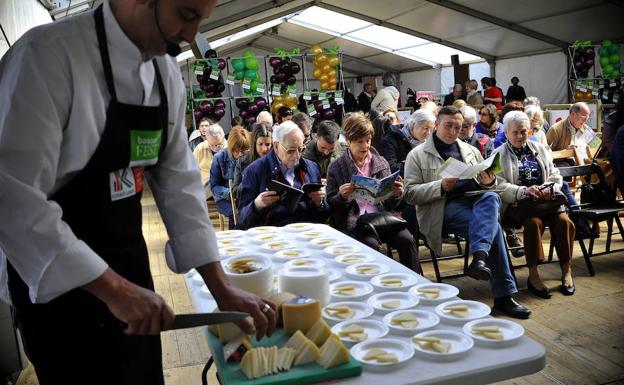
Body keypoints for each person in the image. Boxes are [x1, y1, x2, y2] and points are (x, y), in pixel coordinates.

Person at [0, 1, 276, 384]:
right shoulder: (47, 58)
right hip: (59, 288)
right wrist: (114, 291)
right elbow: (13, 199)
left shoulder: (164, 72)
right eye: (186, 14)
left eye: (201, 19)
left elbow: (179, 185)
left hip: (129, 268)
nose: (192, 34)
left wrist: (221, 287)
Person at [403, 106, 531, 319]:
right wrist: (440, 186)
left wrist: (489, 183)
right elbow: (409, 195)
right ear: (437, 124)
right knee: (494, 228)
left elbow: (490, 187)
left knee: (491, 197)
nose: (453, 131)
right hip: (440, 210)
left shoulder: (470, 150)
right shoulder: (417, 154)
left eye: (458, 127)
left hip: (474, 204)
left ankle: (480, 258)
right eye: (448, 126)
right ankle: (503, 295)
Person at [495, 111, 576, 298]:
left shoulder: (539, 148)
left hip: (546, 201)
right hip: (518, 205)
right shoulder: (497, 154)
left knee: (565, 222)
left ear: (529, 131)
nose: (519, 136)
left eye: (523, 132)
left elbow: (555, 174)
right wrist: (522, 191)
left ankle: (566, 271)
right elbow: (497, 185)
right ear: (506, 133)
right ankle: (533, 275)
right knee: (533, 223)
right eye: (514, 132)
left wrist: (548, 187)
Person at [326, 113, 420, 271]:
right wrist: (342, 197)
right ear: (348, 141)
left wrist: (396, 193)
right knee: (370, 246)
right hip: (355, 222)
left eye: (368, 140)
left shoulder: (380, 162)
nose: (365, 146)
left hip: (382, 219)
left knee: (407, 240)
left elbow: (393, 204)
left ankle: (416, 283)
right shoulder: (336, 167)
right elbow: (331, 205)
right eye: (359, 141)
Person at [238, 121, 329, 228]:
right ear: (276, 147)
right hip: (272, 234)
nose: (297, 155)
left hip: (306, 231)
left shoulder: (311, 168)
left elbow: (323, 218)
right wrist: (257, 205)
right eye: (291, 150)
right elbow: (242, 219)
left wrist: (320, 203)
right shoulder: (254, 170)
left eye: (301, 149)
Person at [210, 127, 251, 229]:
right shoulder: (219, 158)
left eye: (244, 150)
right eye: (237, 151)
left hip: (244, 195)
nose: (241, 154)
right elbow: (214, 186)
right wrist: (229, 193)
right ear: (231, 148)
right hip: (225, 198)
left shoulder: (249, 157)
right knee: (235, 214)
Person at [380, 108, 435, 176]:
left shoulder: (429, 141)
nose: (428, 133)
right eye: (425, 128)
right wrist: (417, 164)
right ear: (413, 124)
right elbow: (390, 168)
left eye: (431, 129)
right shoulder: (390, 138)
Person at [231, 122, 272, 200]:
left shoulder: (276, 160)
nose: (264, 149)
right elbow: (235, 192)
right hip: (249, 205)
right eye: (260, 144)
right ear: (254, 143)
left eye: (267, 144)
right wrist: (248, 179)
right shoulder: (243, 161)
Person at [193, 122, 227, 199]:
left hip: (224, 187)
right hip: (204, 189)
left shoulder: (230, 148)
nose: (215, 148)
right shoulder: (200, 148)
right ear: (207, 139)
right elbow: (191, 170)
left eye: (219, 145)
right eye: (212, 145)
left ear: (223, 136)